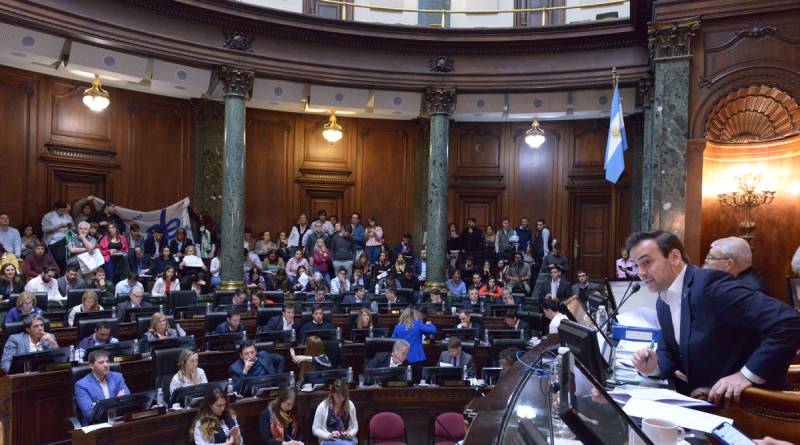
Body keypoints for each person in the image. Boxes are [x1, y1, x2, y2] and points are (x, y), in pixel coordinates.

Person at [627, 230, 800, 401]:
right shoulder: (663, 300)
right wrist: (653, 367)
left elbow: (789, 322)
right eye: (636, 265)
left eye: (647, 262)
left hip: (748, 406)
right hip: (702, 399)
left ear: (674, 257)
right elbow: (670, 351)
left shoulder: (710, 285)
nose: (640, 272)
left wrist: (745, 375)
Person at [74, 350, 130, 424]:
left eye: (107, 361)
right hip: (97, 424)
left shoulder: (117, 377)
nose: (106, 365)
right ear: (91, 365)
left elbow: (128, 400)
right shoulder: (81, 385)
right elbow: (89, 412)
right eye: (101, 362)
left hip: (118, 419)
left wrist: (99, 405)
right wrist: (116, 400)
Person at [391, 306, 436, 378]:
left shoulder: (397, 327)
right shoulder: (417, 323)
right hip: (417, 358)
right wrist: (429, 323)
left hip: (402, 358)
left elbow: (393, 342)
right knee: (417, 382)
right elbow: (433, 330)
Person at [312, 379, 358, 445]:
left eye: (344, 396)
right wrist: (328, 435)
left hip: (346, 439)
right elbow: (315, 429)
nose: (341, 399)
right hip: (329, 439)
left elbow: (355, 427)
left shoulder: (350, 405)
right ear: (332, 394)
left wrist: (350, 434)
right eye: (338, 397)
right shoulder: (323, 406)